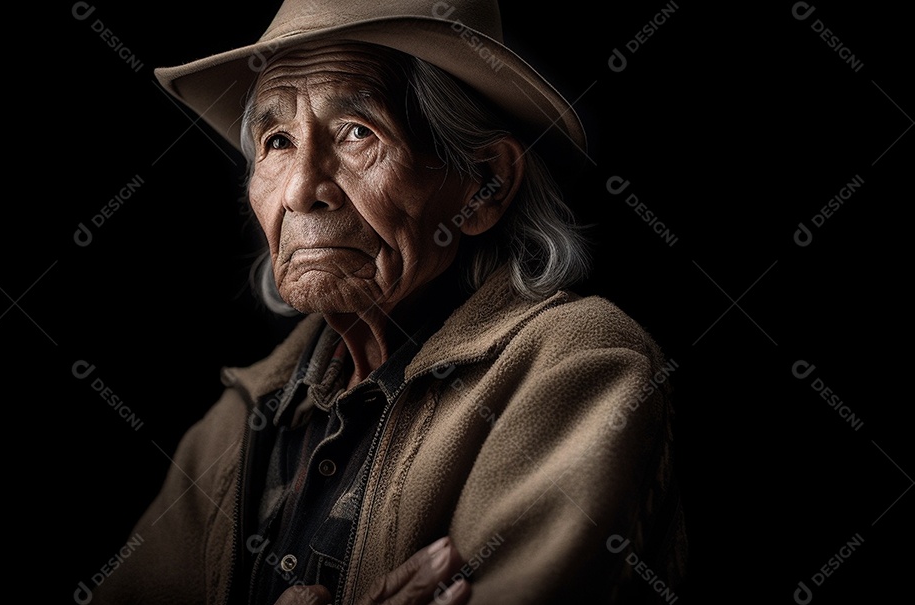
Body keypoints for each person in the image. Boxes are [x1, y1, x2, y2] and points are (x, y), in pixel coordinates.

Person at [92, 1, 687, 603]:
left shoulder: (574, 366)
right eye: (276, 141)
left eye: (357, 133)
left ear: (486, 185)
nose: (300, 190)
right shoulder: (229, 429)